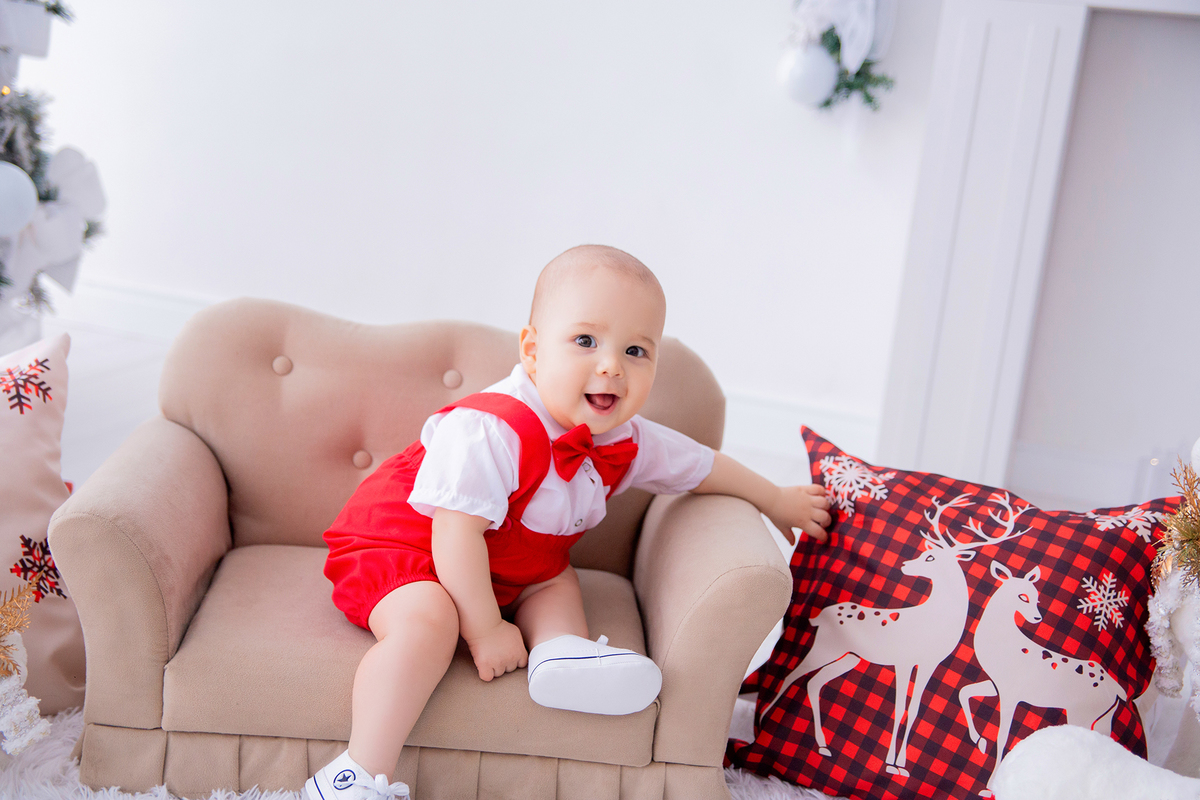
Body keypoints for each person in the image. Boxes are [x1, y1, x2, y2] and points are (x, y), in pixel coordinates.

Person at [305, 245, 833, 800]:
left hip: (510, 563)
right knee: (430, 621)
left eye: (636, 350)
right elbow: (455, 535)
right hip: (407, 551)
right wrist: (484, 629)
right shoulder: (491, 428)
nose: (611, 365)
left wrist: (776, 499)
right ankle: (355, 776)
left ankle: (561, 653)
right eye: (586, 341)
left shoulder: (625, 441)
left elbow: (701, 467)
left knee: (554, 579)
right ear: (532, 351)